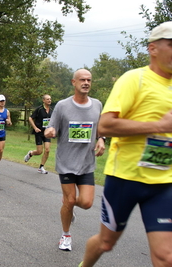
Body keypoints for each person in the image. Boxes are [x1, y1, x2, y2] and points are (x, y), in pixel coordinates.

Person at [79, 22, 172, 267]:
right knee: (105, 243)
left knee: (166, 258)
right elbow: (105, 126)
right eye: (171, 45)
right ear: (153, 48)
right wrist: (159, 126)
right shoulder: (135, 79)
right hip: (125, 179)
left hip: (163, 183)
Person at [44, 69, 105, 252]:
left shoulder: (97, 105)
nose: (86, 82)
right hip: (67, 162)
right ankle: (66, 235)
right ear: (73, 82)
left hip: (86, 162)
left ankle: (68, 206)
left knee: (86, 203)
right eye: (82, 80)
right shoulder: (62, 106)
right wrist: (49, 132)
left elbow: (100, 128)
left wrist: (101, 138)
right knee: (70, 200)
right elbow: (51, 127)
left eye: (89, 80)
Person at [24, 94, 53, 174]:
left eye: (50, 99)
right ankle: (31, 153)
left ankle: (41, 167)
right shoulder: (39, 109)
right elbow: (30, 118)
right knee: (39, 151)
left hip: (47, 133)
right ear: (43, 100)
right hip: (39, 132)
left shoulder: (51, 110)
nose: (49, 100)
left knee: (47, 150)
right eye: (47, 99)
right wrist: (35, 128)